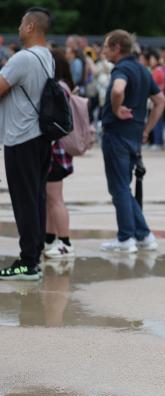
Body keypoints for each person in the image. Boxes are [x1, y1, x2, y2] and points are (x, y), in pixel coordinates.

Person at [100, 29, 165, 253]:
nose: (103, 51)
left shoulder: (122, 68)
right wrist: (146, 129)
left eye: (106, 47)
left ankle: (126, 237)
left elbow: (118, 89)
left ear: (118, 48)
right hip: (133, 134)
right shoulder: (142, 69)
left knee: (119, 187)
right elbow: (160, 101)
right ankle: (143, 235)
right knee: (123, 187)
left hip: (117, 133)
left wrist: (116, 109)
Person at [0, 7, 54, 279]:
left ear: (31, 27)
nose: (19, 28)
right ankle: (34, 256)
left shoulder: (22, 58)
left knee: (24, 201)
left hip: (21, 137)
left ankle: (27, 263)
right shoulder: (47, 56)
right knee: (35, 198)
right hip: (40, 137)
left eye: (22, 23)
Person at [43, 48, 76, 259]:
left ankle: (65, 242)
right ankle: (50, 238)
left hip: (56, 151)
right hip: (60, 151)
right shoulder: (65, 86)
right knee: (51, 198)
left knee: (55, 199)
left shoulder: (58, 88)